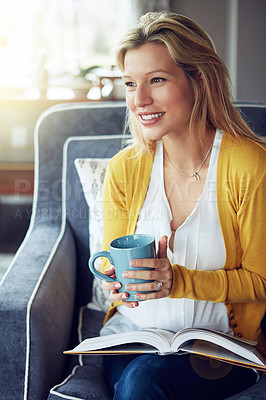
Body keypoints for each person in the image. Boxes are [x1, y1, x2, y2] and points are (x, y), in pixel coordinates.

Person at [99, 11, 266, 400]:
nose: (139, 100)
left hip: (220, 346)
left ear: (199, 79)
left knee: (140, 385)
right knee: (137, 380)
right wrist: (113, 281)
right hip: (132, 336)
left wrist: (178, 281)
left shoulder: (249, 165)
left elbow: (261, 281)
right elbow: (110, 262)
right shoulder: (124, 169)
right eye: (130, 84)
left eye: (156, 80)